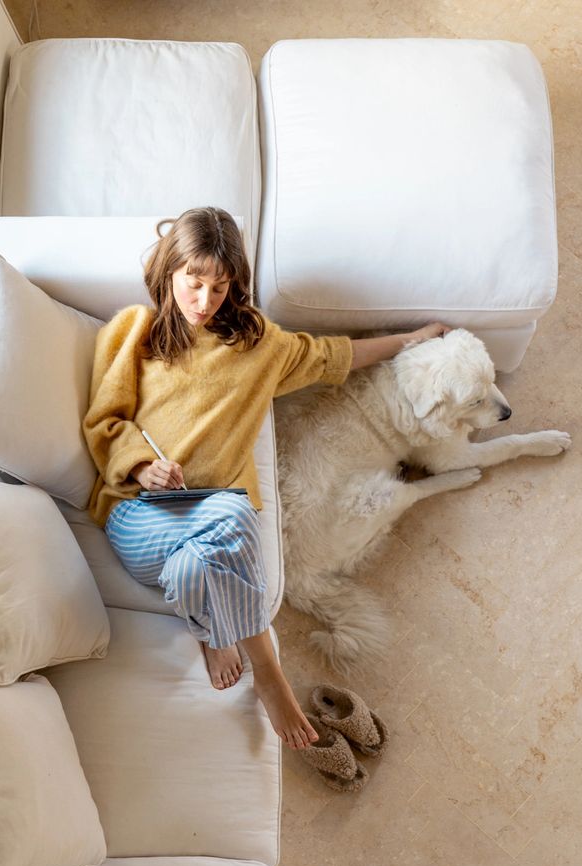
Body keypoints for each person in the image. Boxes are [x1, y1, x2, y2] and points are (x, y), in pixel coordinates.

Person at [83, 207, 450, 749]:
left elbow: (335, 357)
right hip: (138, 515)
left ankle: (214, 629)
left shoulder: (260, 349)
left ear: (235, 285)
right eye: (193, 282)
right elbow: (103, 421)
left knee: (208, 546)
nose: (204, 301)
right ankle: (271, 676)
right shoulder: (133, 331)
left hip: (210, 524)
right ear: (170, 272)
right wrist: (141, 464)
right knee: (231, 516)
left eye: (219, 287)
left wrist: (412, 339)